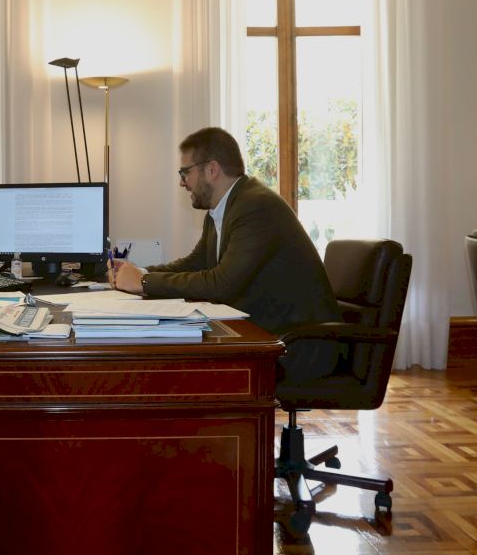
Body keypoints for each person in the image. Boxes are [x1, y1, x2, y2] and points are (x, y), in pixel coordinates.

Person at [109, 126, 341, 382]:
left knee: (175, 371)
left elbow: (222, 284)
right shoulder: (223, 208)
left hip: (299, 348)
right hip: (266, 334)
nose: (182, 182)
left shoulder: (256, 206)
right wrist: (138, 272)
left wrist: (143, 282)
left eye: (185, 172)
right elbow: (197, 264)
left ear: (211, 169)